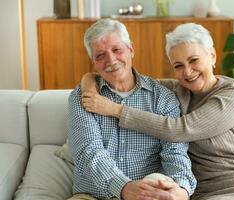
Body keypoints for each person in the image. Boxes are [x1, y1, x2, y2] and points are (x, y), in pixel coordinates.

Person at [80, 23, 234, 200]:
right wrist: (89, 80)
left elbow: (182, 129)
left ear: (212, 56)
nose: (188, 72)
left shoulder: (233, 94)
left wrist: (115, 110)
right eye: (178, 65)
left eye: (194, 60)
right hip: (209, 191)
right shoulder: (176, 90)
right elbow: (126, 77)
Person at [68, 19, 196, 200]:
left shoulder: (162, 98)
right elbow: (89, 152)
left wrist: (182, 189)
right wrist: (124, 188)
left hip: (148, 194)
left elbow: (175, 152)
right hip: (92, 195)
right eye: (100, 55)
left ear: (131, 49)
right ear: (94, 62)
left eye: (117, 50)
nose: (111, 60)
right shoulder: (83, 97)